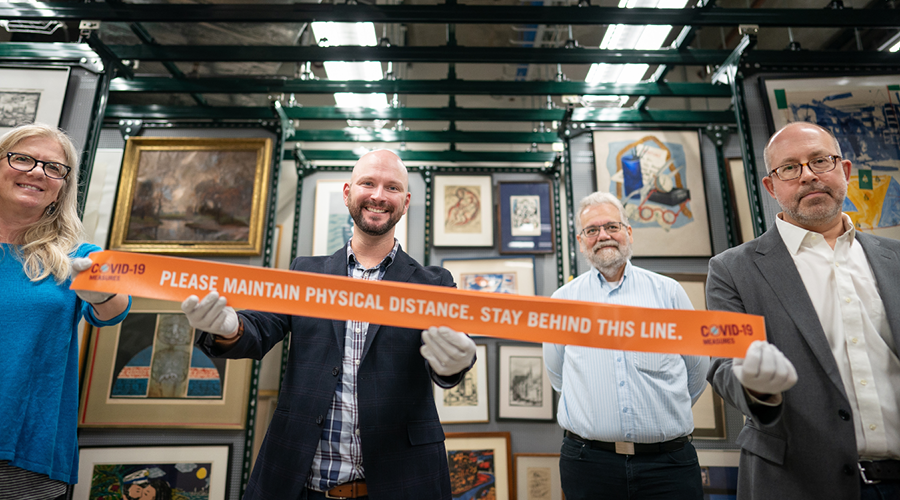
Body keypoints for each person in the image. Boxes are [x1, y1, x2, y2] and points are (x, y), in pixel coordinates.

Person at [181, 149, 476, 500]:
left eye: (392, 187)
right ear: (348, 193)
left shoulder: (434, 282)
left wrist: (458, 362)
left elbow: (449, 354)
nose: (379, 196)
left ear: (406, 201)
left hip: (402, 483)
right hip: (298, 484)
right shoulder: (306, 273)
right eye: (368, 183)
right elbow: (258, 329)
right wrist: (229, 327)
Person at [706, 121, 900, 500]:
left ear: (843, 171)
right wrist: (756, 385)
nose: (808, 176)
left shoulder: (895, 260)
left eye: (820, 161)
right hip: (797, 483)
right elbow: (724, 367)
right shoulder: (732, 270)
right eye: (790, 168)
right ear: (772, 186)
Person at [543, 191, 709, 500]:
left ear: (629, 233)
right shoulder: (563, 302)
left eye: (612, 226)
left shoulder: (668, 294)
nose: (603, 236)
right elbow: (558, 376)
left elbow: (698, 369)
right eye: (592, 230)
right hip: (589, 464)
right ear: (581, 242)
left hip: (668, 465)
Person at [0, 123, 131, 498]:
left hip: (22, 459)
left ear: (62, 188)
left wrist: (100, 294)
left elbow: (115, 309)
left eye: (53, 167)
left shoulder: (77, 258)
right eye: (22, 159)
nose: (38, 171)